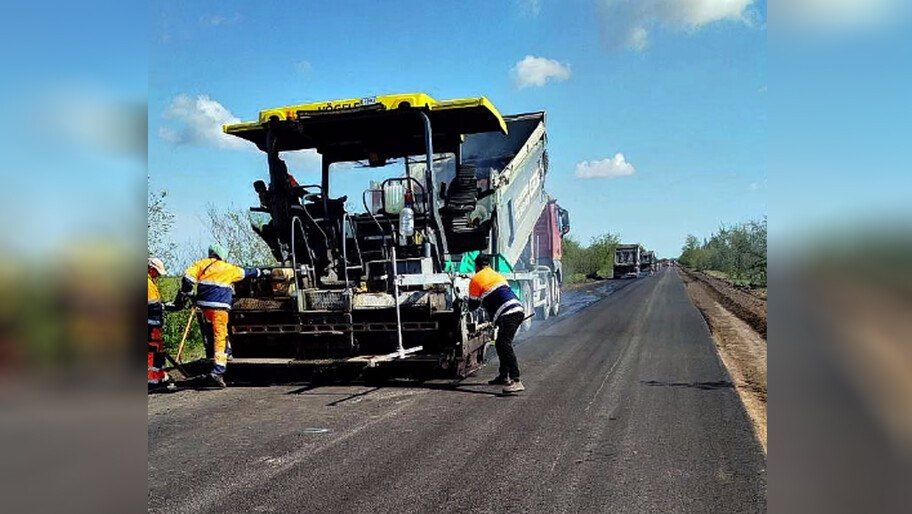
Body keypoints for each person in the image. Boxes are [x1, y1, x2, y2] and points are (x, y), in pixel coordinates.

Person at [174, 244, 266, 388]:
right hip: (219, 308)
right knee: (220, 337)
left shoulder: (202, 264)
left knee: (217, 331)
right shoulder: (228, 268)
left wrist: (189, 292)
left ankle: (228, 352)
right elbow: (247, 273)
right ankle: (218, 371)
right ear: (222, 255)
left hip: (204, 307)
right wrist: (261, 272)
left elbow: (187, 279)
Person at [468, 254, 526, 394]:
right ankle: (503, 376)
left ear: (477, 266)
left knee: (503, 344)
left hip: (508, 313)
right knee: (501, 342)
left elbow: (472, 306)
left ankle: (516, 380)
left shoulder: (476, 279)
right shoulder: (496, 275)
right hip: (517, 309)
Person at [147, 257, 175, 392]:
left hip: (154, 324)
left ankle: (156, 377)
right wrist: (163, 307)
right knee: (152, 352)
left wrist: (164, 305)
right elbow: (152, 305)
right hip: (150, 325)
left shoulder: (150, 282)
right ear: (151, 269)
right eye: (157, 272)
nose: (158, 275)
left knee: (156, 352)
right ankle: (152, 380)